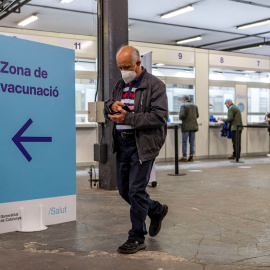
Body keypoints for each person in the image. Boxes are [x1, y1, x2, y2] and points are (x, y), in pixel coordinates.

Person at [104, 45, 168, 254]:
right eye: (121, 67)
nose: (124, 71)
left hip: (142, 145)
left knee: (136, 191)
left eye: (127, 66)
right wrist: (110, 106)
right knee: (125, 190)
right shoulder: (120, 84)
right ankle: (156, 210)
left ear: (138, 63)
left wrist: (128, 118)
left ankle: (137, 237)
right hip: (122, 144)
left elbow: (159, 117)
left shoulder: (155, 86)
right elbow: (109, 104)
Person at [179, 95, 199, 162]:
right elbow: (197, 115)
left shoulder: (183, 105)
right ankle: (191, 156)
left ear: (184, 100)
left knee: (184, 141)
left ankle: (184, 157)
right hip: (193, 127)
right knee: (192, 142)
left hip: (186, 126)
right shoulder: (195, 106)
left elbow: (182, 115)